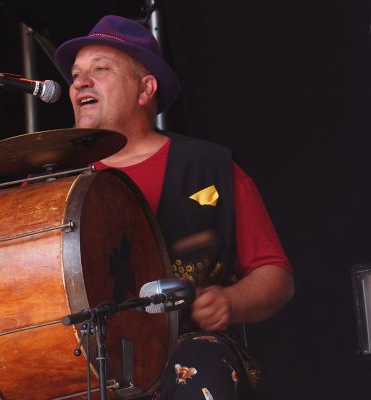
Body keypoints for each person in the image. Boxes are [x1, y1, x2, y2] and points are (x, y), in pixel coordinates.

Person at [53, 15, 294, 400]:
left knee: (197, 368)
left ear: (145, 89)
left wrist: (232, 301)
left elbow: (276, 275)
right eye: (77, 74)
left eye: (100, 69)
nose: (80, 81)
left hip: (184, 346)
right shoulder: (53, 180)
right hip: (77, 351)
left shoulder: (211, 168)